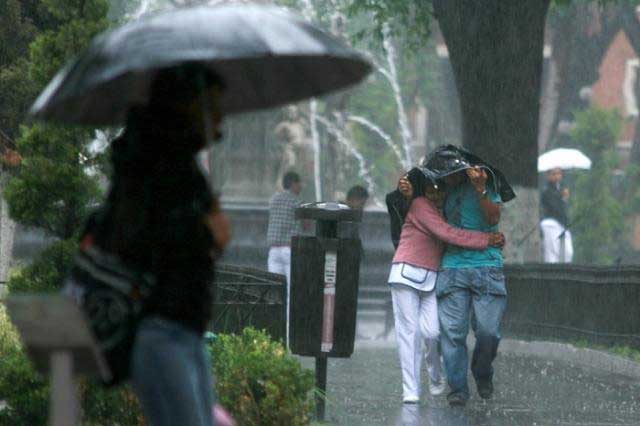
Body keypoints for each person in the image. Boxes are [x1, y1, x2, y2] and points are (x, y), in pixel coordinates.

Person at [74, 66, 231, 426]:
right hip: (160, 330)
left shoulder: (176, 165)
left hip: (183, 327)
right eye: (215, 105)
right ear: (191, 105)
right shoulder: (154, 166)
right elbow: (145, 240)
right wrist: (209, 233)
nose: (222, 115)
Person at [399, 148, 511, 407]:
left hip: (487, 267)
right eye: (441, 176)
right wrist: (408, 194)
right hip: (452, 268)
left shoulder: (483, 180)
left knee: (488, 332)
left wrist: (481, 189)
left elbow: (494, 216)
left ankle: (482, 371)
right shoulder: (439, 193)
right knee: (452, 334)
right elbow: (429, 222)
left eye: (449, 174)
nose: (446, 180)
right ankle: (457, 388)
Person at [267, 171, 302, 344]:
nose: (301, 187)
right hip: (289, 250)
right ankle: (289, 331)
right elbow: (306, 223)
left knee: (275, 290)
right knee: (290, 292)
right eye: (299, 183)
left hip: (273, 251)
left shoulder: (274, 199)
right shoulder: (296, 202)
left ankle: (273, 327)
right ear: (293, 184)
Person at [540, 167, 573, 263]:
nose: (557, 176)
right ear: (548, 176)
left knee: (568, 252)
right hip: (550, 223)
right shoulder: (546, 191)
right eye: (553, 174)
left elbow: (562, 209)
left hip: (562, 223)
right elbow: (554, 208)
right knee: (552, 253)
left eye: (559, 173)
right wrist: (562, 198)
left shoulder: (561, 189)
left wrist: (564, 199)